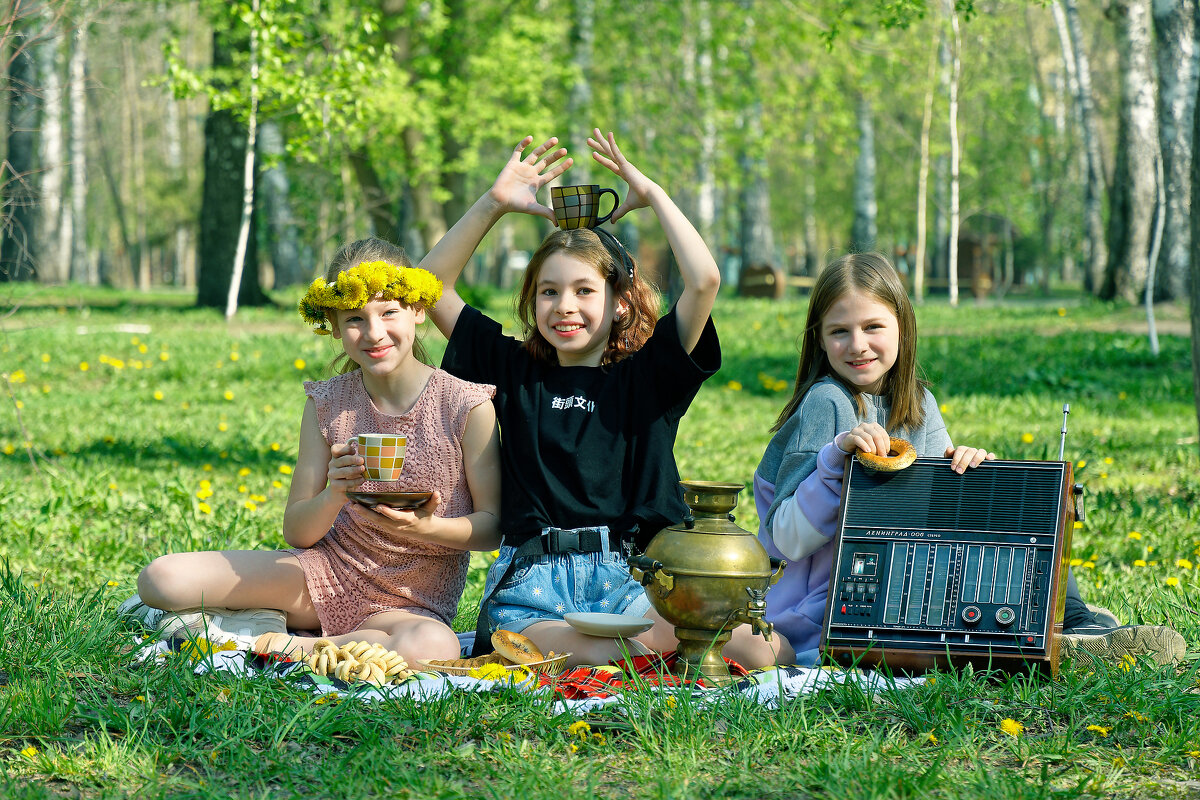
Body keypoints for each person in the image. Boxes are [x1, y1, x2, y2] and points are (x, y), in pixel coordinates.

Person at [727, 252, 1184, 670]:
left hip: (901, 586)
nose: (857, 344)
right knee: (963, 650)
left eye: (873, 327)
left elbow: (937, 518)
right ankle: (1060, 636)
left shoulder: (918, 403)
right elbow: (784, 539)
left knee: (1022, 510)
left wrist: (967, 471)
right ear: (820, 340)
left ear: (902, 327)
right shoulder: (826, 402)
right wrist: (834, 459)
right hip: (833, 604)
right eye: (839, 331)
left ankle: (1075, 625)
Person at [419, 130, 721, 665]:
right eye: (549, 291)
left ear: (621, 302)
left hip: (632, 578)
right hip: (533, 587)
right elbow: (430, 285)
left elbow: (704, 281)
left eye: (585, 290)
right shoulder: (513, 370)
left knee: (753, 647)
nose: (565, 306)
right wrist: (493, 204)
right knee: (596, 649)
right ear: (531, 301)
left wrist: (653, 195)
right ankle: (622, 656)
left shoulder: (648, 377)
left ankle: (634, 653)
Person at [124, 238, 502, 665]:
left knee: (435, 648)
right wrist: (333, 494)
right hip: (323, 576)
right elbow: (297, 532)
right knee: (161, 579)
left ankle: (277, 641)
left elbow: (490, 528)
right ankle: (309, 632)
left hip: (411, 604)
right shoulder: (328, 402)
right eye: (355, 319)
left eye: (388, 312)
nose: (374, 332)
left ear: (417, 310)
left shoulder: (466, 405)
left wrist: (428, 528)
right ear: (335, 326)